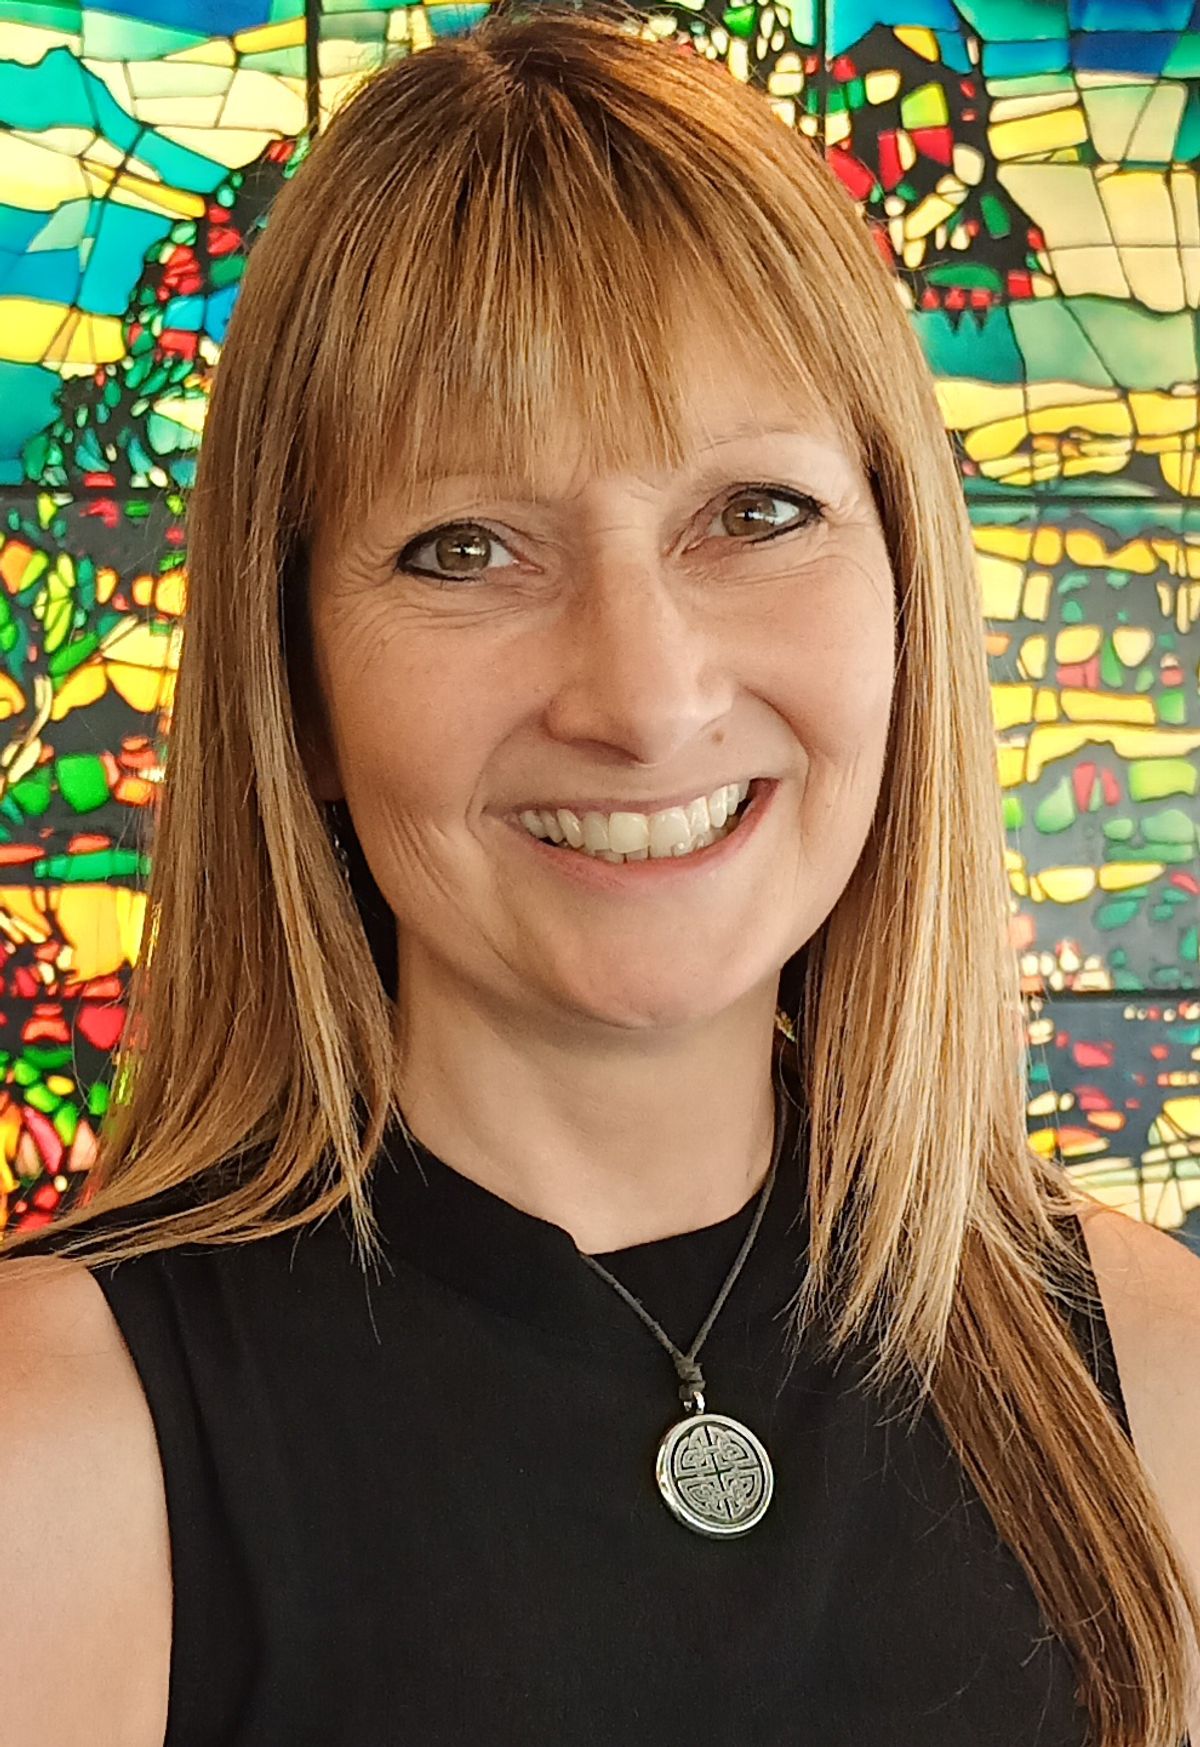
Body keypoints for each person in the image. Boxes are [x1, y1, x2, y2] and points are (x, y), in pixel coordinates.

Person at [2, 7, 1198, 1744]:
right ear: (297, 686)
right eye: (464, 549)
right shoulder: (53, 1455)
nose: (644, 700)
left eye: (754, 514)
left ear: (904, 591)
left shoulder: (1160, 1392)